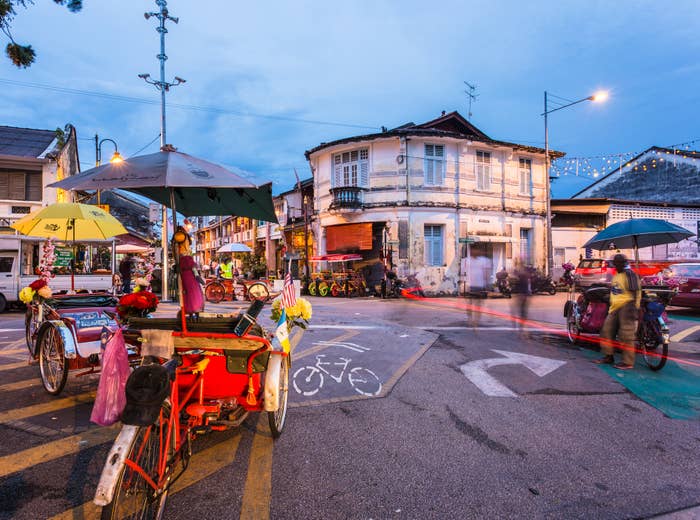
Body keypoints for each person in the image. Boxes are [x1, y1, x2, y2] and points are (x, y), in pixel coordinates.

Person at [594, 253, 641, 370]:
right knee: (606, 331)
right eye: (616, 263)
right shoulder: (617, 275)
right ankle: (608, 356)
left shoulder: (629, 274)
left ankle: (628, 362)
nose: (617, 265)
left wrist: (634, 308)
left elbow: (635, 291)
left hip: (627, 305)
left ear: (623, 263)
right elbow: (615, 290)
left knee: (626, 335)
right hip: (614, 307)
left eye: (619, 263)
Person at [174, 227, 205, 317]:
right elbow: (192, 267)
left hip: (185, 275)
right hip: (189, 276)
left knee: (188, 293)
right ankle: (194, 310)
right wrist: (197, 276)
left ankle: (191, 311)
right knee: (192, 292)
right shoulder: (186, 256)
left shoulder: (182, 255)